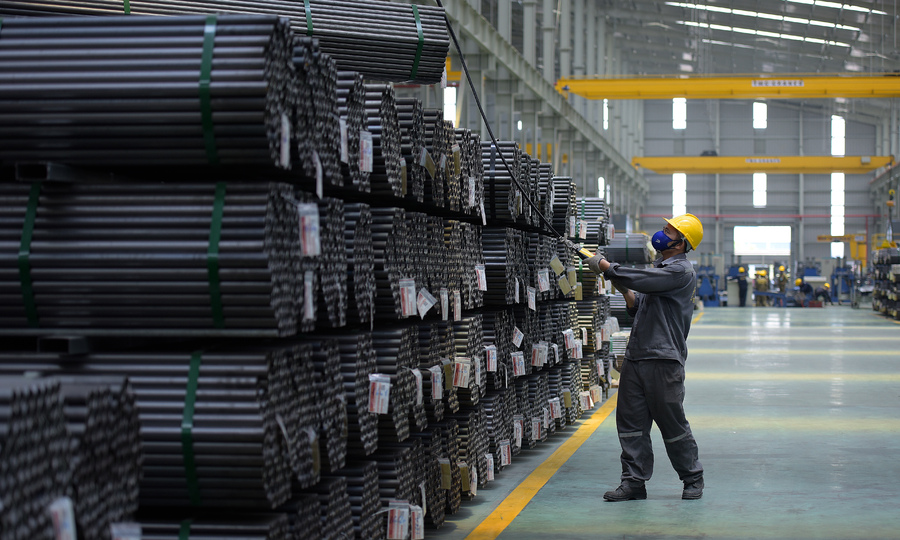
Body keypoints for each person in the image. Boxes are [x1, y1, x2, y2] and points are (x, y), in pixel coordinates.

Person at [586, 213, 704, 502]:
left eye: (668, 231)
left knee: (672, 423)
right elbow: (638, 303)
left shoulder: (680, 271)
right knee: (631, 424)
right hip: (638, 356)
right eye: (664, 228)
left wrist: (607, 267)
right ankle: (633, 482)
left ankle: (692, 478)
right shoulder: (661, 269)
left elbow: (644, 280)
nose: (661, 233)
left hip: (663, 359)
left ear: (681, 243)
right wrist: (622, 286)